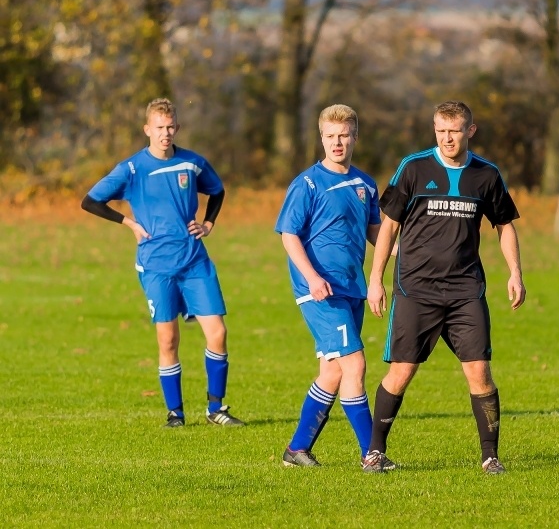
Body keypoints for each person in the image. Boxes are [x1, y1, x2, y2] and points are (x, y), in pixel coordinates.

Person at [365, 100, 526, 474]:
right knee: (401, 373)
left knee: (479, 372)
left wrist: (515, 272)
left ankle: (490, 457)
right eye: (440, 130)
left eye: (454, 130)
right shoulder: (414, 167)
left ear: (470, 130)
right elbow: (388, 226)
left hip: (465, 291)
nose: (447, 137)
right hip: (415, 289)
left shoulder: (486, 175)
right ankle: (375, 452)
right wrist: (375, 280)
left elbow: (504, 226)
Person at [81, 97, 244, 428]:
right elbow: (90, 200)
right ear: (147, 129)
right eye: (159, 128)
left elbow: (217, 191)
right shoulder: (132, 168)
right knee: (168, 339)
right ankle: (175, 413)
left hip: (195, 260)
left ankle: (216, 409)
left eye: (170, 127)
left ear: (177, 128)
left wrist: (209, 223)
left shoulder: (192, 163)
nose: (165, 133)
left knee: (218, 332)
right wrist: (128, 223)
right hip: (156, 265)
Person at [275, 104, 394, 473]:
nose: (337, 142)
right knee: (355, 363)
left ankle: (297, 450)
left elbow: (376, 232)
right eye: (330, 136)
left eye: (344, 135)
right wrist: (312, 277)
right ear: (321, 138)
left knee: (333, 371)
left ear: (355, 137)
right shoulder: (308, 183)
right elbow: (289, 235)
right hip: (319, 290)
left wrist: (407, 257)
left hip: (350, 288)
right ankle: (370, 455)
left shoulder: (365, 184)